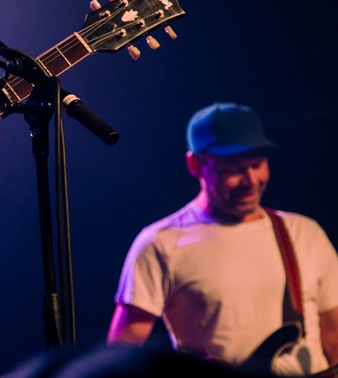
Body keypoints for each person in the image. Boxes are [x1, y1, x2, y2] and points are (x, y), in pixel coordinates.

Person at [107, 102, 338, 375]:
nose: (250, 180)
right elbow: (122, 355)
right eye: (234, 168)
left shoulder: (303, 233)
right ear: (195, 165)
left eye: (257, 164)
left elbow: (333, 337)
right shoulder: (160, 243)